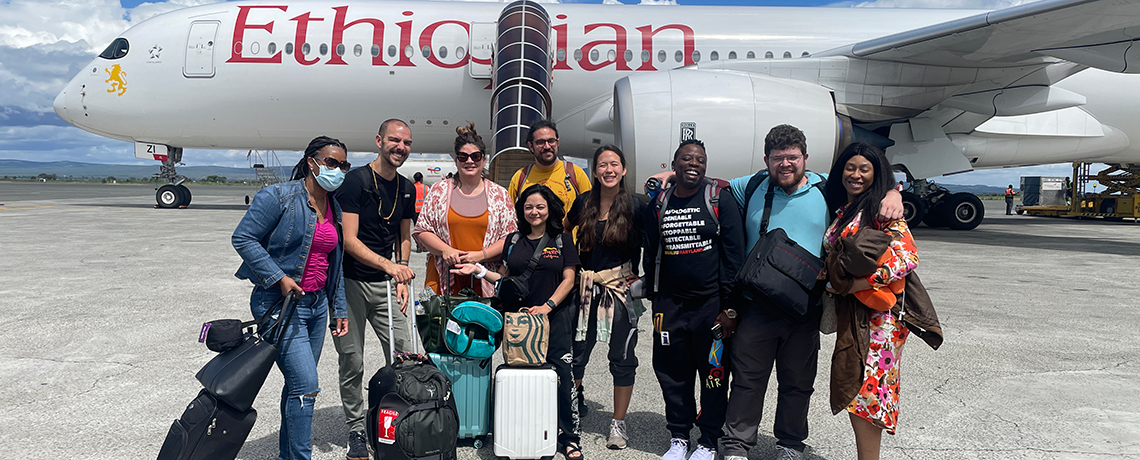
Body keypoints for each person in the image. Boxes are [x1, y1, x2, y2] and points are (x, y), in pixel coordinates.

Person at [720, 125, 903, 460]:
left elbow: (865, 189)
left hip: (805, 307)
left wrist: (894, 192)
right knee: (747, 381)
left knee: (798, 383)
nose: (785, 165)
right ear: (766, 160)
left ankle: (790, 444)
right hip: (756, 306)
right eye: (778, 159)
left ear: (805, 158)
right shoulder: (753, 186)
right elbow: (715, 186)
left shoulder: (826, 188)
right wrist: (672, 174)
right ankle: (736, 446)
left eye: (792, 157)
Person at [231, 136, 351, 460]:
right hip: (281, 306)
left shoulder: (334, 206)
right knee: (307, 386)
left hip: (317, 307)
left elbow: (333, 264)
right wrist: (279, 277)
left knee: (299, 388)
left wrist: (339, 308)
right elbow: (243, 238)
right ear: (312, 162)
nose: (338, 170)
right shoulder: (279, 196)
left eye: (343, 165)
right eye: (331, 163)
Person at [452, 185, 582, 459]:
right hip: (519, 323)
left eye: (540, 207)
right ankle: (523, 430)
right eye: (528, 207)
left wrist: (547, 306)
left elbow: (569, 279)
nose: (534, 212)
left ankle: (569, 438)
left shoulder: (562, 240)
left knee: (563, 376)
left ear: (550, 210)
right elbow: (505, 280)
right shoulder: (513, 241)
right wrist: (478, 270)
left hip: (554, 320)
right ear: (521, 211)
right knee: (520, 377)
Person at [643, 139, 746, 460]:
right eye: (686, 159)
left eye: (700, 160)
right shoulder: (659, 203)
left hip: (711, 309)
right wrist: (652, 296)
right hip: (670, 307)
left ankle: (708, 440)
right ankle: (678, 437)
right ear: (673, 165)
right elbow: (650, 249)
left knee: (714, 375)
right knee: (672, 373)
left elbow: (734, 256)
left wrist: (730, 308)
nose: (694, 164)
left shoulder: (719, 200)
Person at [821, 143, 920, 460]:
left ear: (876, 173)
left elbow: (906, 258)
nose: (856, 174)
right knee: (856, 390)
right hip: (856, 315)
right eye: (850, 167)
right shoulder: (845, 209)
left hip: (881, 319)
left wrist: (855, 285)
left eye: (865, 169)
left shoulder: (881, 209)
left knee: (867, 394)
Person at [333, 118, 418, 460]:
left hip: (386, 286)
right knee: (352, 360)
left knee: (404, 355)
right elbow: (349, 241)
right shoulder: (355, 182)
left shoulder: (407, 188)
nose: (401, 147)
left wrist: (402, 277)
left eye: (407, 143)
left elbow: (405, 236)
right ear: (379, 141)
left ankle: (395, 420)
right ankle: (356, 428)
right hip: (351, 284)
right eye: (395, 140)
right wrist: (389, 267)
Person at [564, 145, 647, 449]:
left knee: (623, 358)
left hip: (620, 288)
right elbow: (563, 231)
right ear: (595, 171)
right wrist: (569, 267)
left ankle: (618, 422)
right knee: (575, 354)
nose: (608, 170)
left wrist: (643, 278)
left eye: (614, 164)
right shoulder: (584, 202)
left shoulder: (637, 207)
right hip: (585, 287)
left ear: (624, 169)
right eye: (602, 165)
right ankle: (568, 415)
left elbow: (653, 243)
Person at [414, 123, 517, 297]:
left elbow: (510, 237)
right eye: (463, 157)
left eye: (475, 156)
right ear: (456, 161)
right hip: (443, 276)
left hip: (484, 277)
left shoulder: (500, 195)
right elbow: (422, 230)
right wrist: (446, 250)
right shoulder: (439, 191)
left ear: (484, 160)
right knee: (439, 322)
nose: (469, 161)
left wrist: (481, 256)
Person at [507, 119, 592, 210]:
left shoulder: (576, 173)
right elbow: (507, 215)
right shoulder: (520, 177)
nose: (547, 146)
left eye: (551, 141)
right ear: (531, 146)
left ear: (557, 142)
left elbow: (590, 210)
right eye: (540, 142)